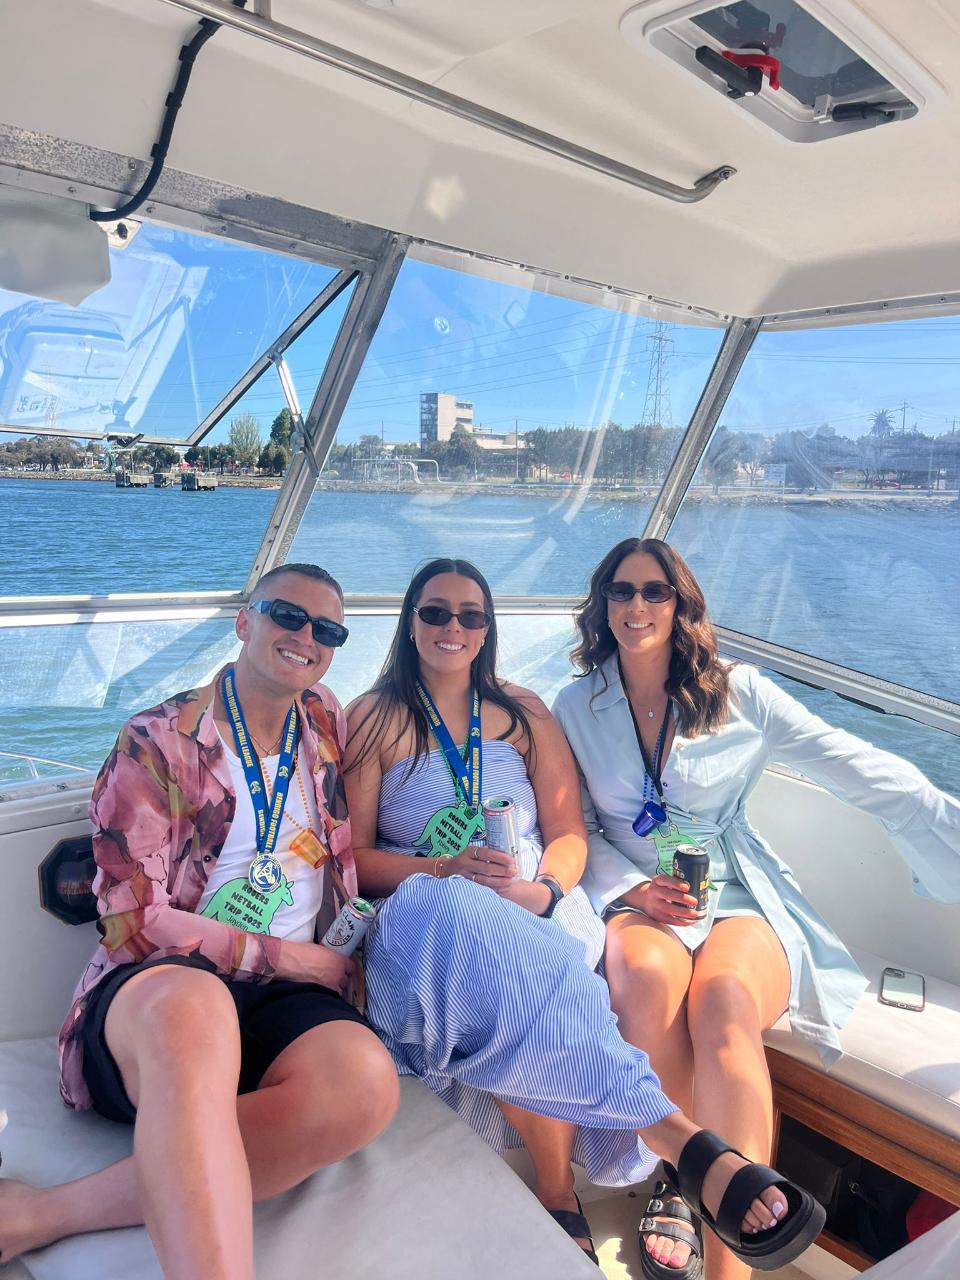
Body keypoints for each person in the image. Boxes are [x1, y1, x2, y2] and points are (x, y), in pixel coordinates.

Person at [344, 557, 826, 1274]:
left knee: (537, 951)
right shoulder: (373, 719)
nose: (453, 627)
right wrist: (445, 870)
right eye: (435, 612)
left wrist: (542, 891)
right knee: (493, 945)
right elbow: (353, 859)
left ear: (488, 630)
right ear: (410, 623)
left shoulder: (524, 713)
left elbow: (568, 835)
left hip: (532, 899)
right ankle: (658, 1150)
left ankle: (594, 1178)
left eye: (471, 615)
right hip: (429, 904)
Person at [552, 537, 960, 1280]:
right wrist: (631, 889)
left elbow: (861, 769)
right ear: (601, 605)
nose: (636, 606)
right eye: (621, 591)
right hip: (639, 893)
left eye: (654, 591)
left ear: (681, 605)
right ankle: (685, 1177)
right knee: (644, 983)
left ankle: (729, 1267)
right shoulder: (577, 705)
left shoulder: (742, 694)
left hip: (736, 889)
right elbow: (573, 823)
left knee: (724, 1003)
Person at [0, 564, 400, 1280]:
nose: (306, 636)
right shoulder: (158, 739)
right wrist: (291, 957)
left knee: (364, 1085)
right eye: (287, 614)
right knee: (197, 1006)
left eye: (328, 630)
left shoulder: (323, 720)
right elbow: (132, 922)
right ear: (245, 622)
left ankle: (46, 1213)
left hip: (283, 1000)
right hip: (166, 986)